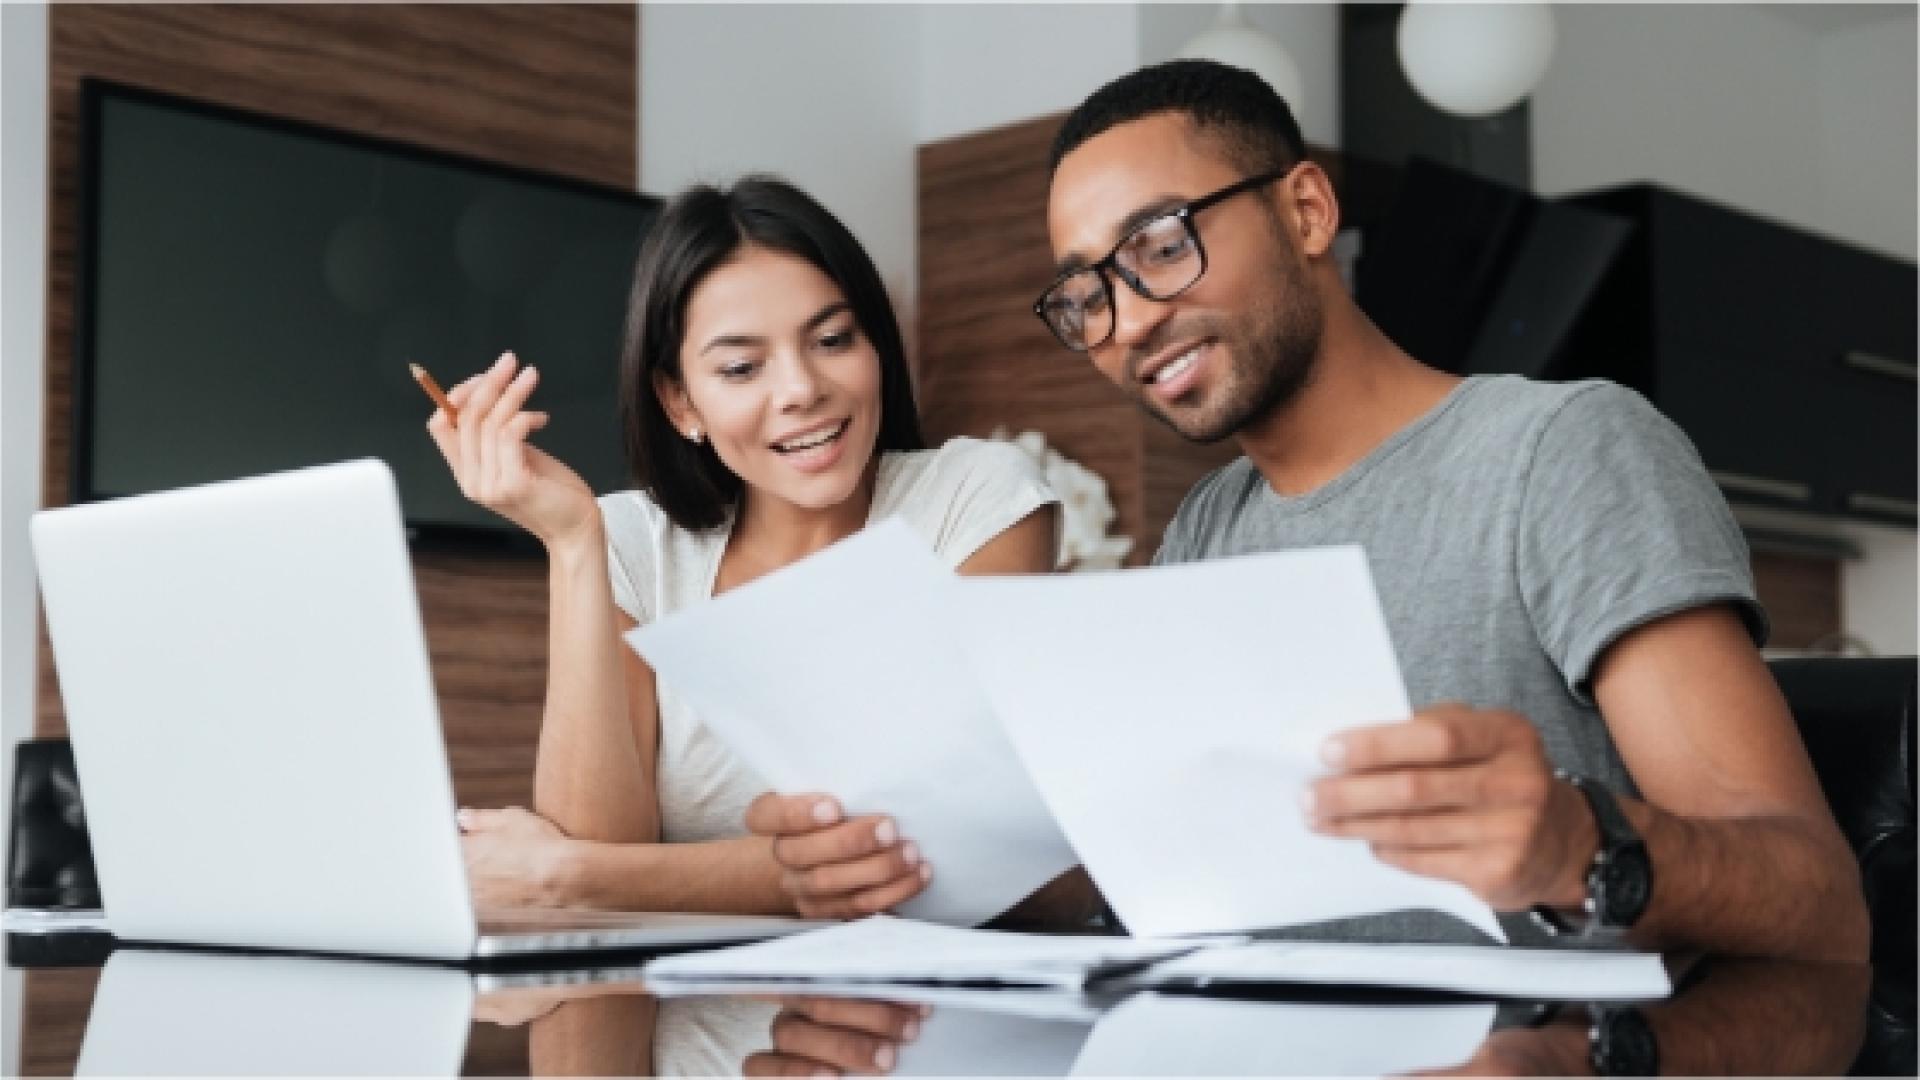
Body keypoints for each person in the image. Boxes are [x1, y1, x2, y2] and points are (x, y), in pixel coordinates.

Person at [752, 61, 1868, 962]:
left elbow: (1816, 898)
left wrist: (1582, 844)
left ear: (1305, 208)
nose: (1128, 322)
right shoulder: (1206, 526)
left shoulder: (1563, 450)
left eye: (1159, 246)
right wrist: (902, 861)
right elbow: (1162, 881)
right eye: (1086, 295)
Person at [425, 176, 1060, 917]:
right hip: (675, 1026)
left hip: (915, 1022)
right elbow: (593, 844)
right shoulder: (634, 541)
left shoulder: (974, 500)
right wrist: (572, 544)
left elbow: (940, 850)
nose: (800, 388)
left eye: (832, 340)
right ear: (679, 401)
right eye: (740, 368)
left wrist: (573, 877)